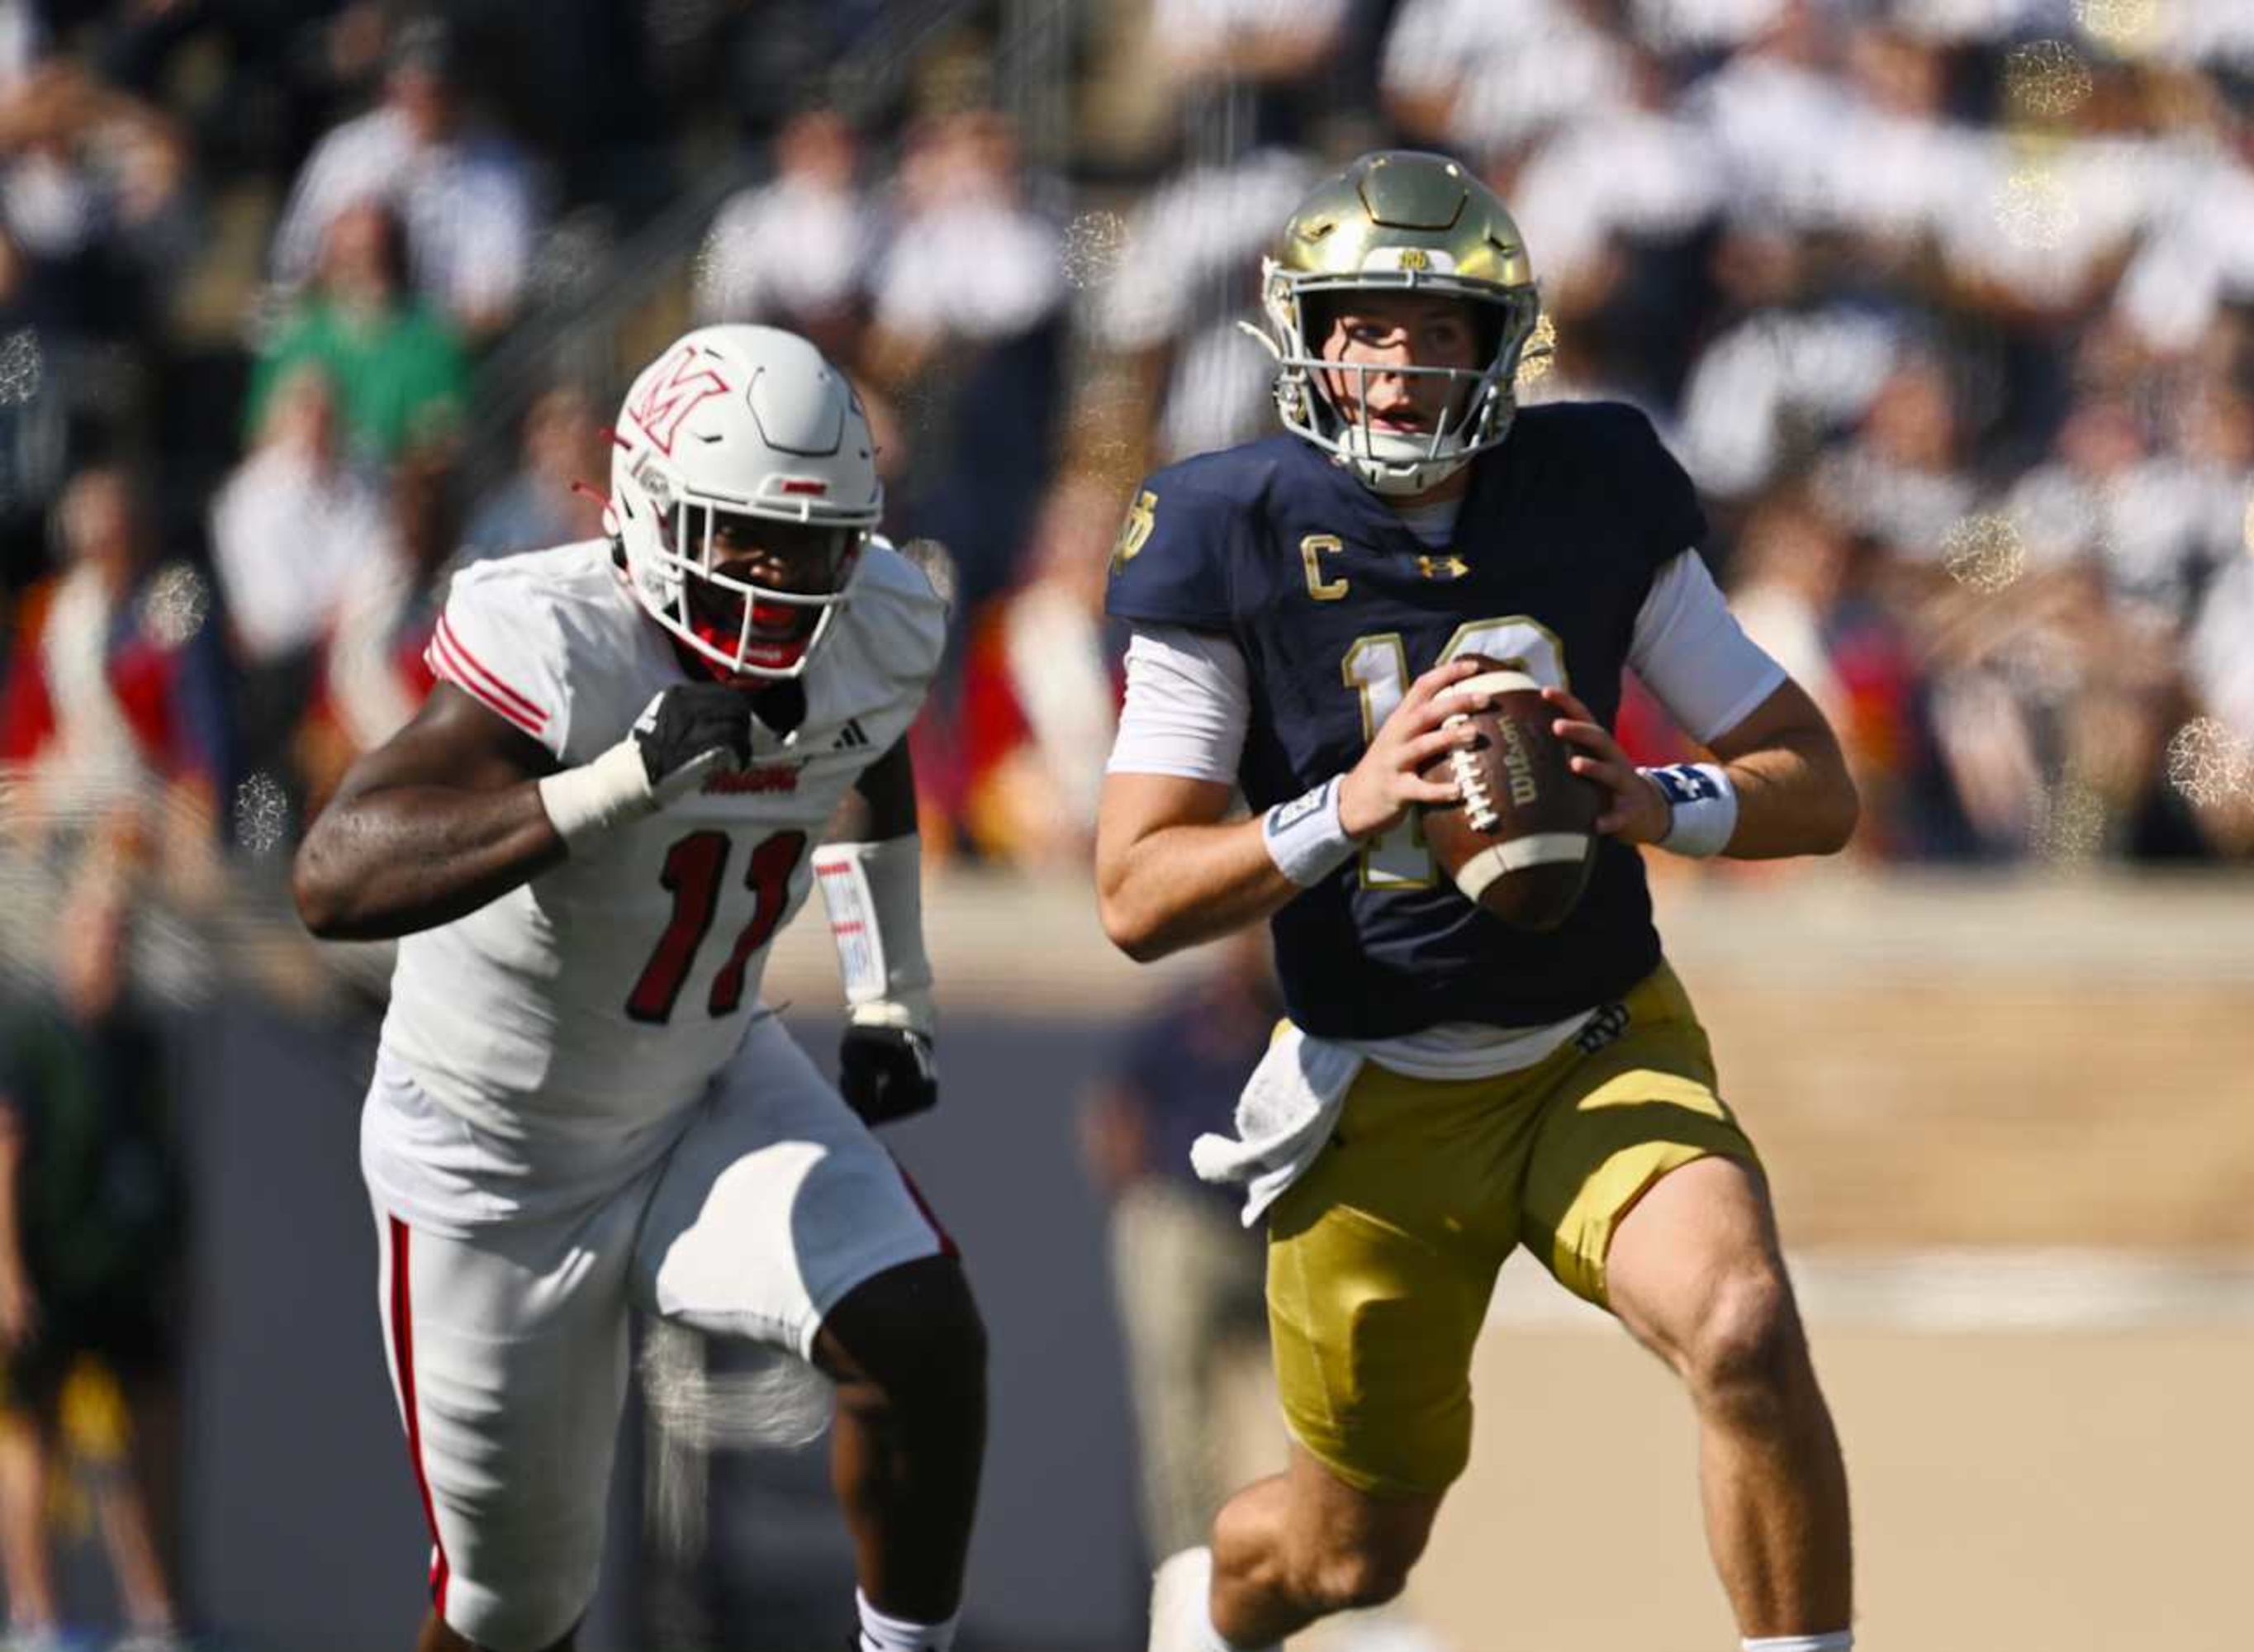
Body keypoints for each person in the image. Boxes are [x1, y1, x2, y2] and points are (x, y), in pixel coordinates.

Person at [1096, 150, 1861, 1652]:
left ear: (1499, 345)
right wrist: (1345, 804)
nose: (1392, 364)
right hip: (1374, 1092)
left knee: (1745, 1328)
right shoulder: (1226, 524)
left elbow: (1812, 780)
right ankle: (1212, 1600)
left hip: (1594, 1041)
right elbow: (1135, 892)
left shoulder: (1590, 488)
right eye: (1363, 326)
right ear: (1305, 339)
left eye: (1432, 327)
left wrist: (1664, 801)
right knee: (1347, 1555)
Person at [287, 324, 985, 1652]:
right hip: (496, 1163)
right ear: (654, 511)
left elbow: (867, 746)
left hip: (705, 1084)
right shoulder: (559, 640)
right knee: (514, 1619)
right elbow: (331, 876)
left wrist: (889, 987)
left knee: (921, 1333)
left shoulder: (874, 620)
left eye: (816, 545)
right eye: (746, 540)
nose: (784, 585)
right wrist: (611, 784)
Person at [0, 819, 189, 1652]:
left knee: (142, 1434)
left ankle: (155, 1614)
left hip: (122, 1275)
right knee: (29, 1434)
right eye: (92, 925)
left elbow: (164, 1161)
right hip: (47, 1269)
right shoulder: (33, 1035)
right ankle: (37, 1617)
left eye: (118, 929)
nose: (105, 942)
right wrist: (6, 1271)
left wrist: (176, 1265)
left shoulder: (142, 1041)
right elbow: (7, 1150)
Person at [1080, 928, 1280, 1569]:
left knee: (1305, 1418)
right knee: (1177, 1419)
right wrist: (1137, 1199)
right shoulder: (1183, 1018)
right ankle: (1190, 1576)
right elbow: (1116, 1109)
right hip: (1181, 1224)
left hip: (1269, 1240)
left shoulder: (1297, 1024)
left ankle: (1310, 1589)